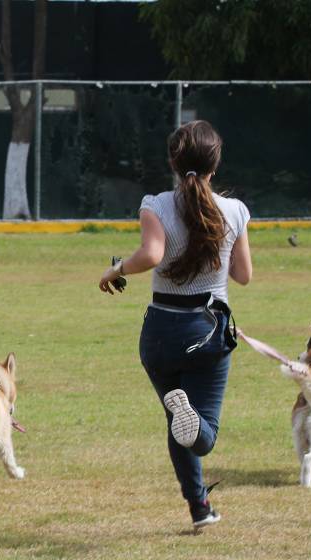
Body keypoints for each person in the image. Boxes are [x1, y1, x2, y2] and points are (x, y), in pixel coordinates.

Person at [98, 120, 252, 528]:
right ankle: (199, 498)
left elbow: (151, 254)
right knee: (202, 432)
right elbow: (243, 275)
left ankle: (200, 508)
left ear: (172, 161)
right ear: (215, 164)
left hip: (160, 334)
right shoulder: (234, 211)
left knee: (179, 419)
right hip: (207, 332)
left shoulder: (156, 204)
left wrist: (116, 269)